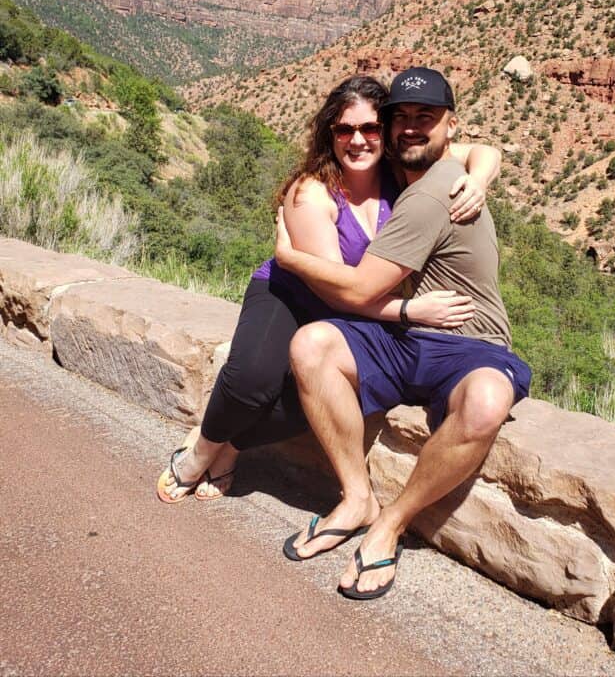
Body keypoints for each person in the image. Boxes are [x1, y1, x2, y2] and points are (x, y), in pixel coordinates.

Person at [156, 74, 502, 503]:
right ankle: (202, 449)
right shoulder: (312, 193)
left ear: (387, 132)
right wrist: (411, 312)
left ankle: (233, 446)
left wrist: (480, 181)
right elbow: (336, 293)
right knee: (253, 381)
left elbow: (482, 150)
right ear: (330, 135)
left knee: (318, 402)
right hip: (293, 294)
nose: (357, 140)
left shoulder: (404, 173)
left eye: (371, 128)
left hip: (361, 305)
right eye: (344, 129)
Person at [275, 67, 531, 599]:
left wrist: (290, 257)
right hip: (406, 332)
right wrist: (481, 173)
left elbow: (362, 290)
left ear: (449, 125)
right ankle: (355, 497)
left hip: (467, 340)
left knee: (485, 401)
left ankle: (390, 523)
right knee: (312, 345)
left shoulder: (431, 192)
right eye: (402, 118)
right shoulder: (415, 167)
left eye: (426, 118)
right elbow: (485, 151)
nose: (411, 128)